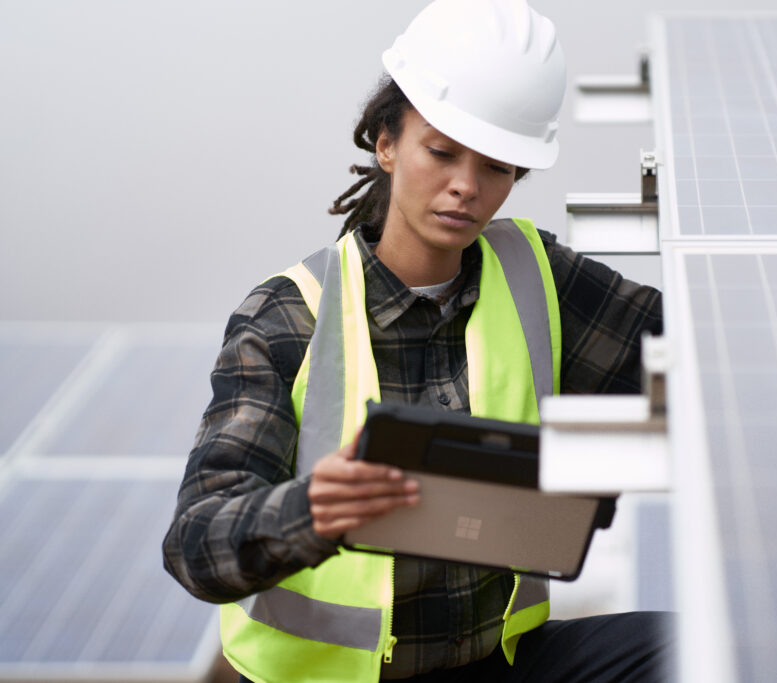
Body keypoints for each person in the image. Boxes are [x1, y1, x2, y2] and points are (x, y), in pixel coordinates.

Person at [163, 0, 671, 680]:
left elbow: (699, 354)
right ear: (386, 141)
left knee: (686, 650)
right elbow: (196, 543)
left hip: (499, 661)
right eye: (441, 151)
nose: (466, 186)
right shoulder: (288, 317)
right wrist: (308, 510)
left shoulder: (535, 275)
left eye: (496, 166)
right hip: (340, 678)